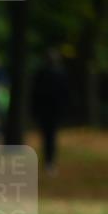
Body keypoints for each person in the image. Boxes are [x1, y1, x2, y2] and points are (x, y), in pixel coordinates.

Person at [31, 47, 69, 175]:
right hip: (49, 111)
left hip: (49, 111)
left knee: (49, 136)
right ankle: (49, 161)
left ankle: (49, 161)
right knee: (50, 136)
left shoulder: (49, 73)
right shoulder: (48, 73)